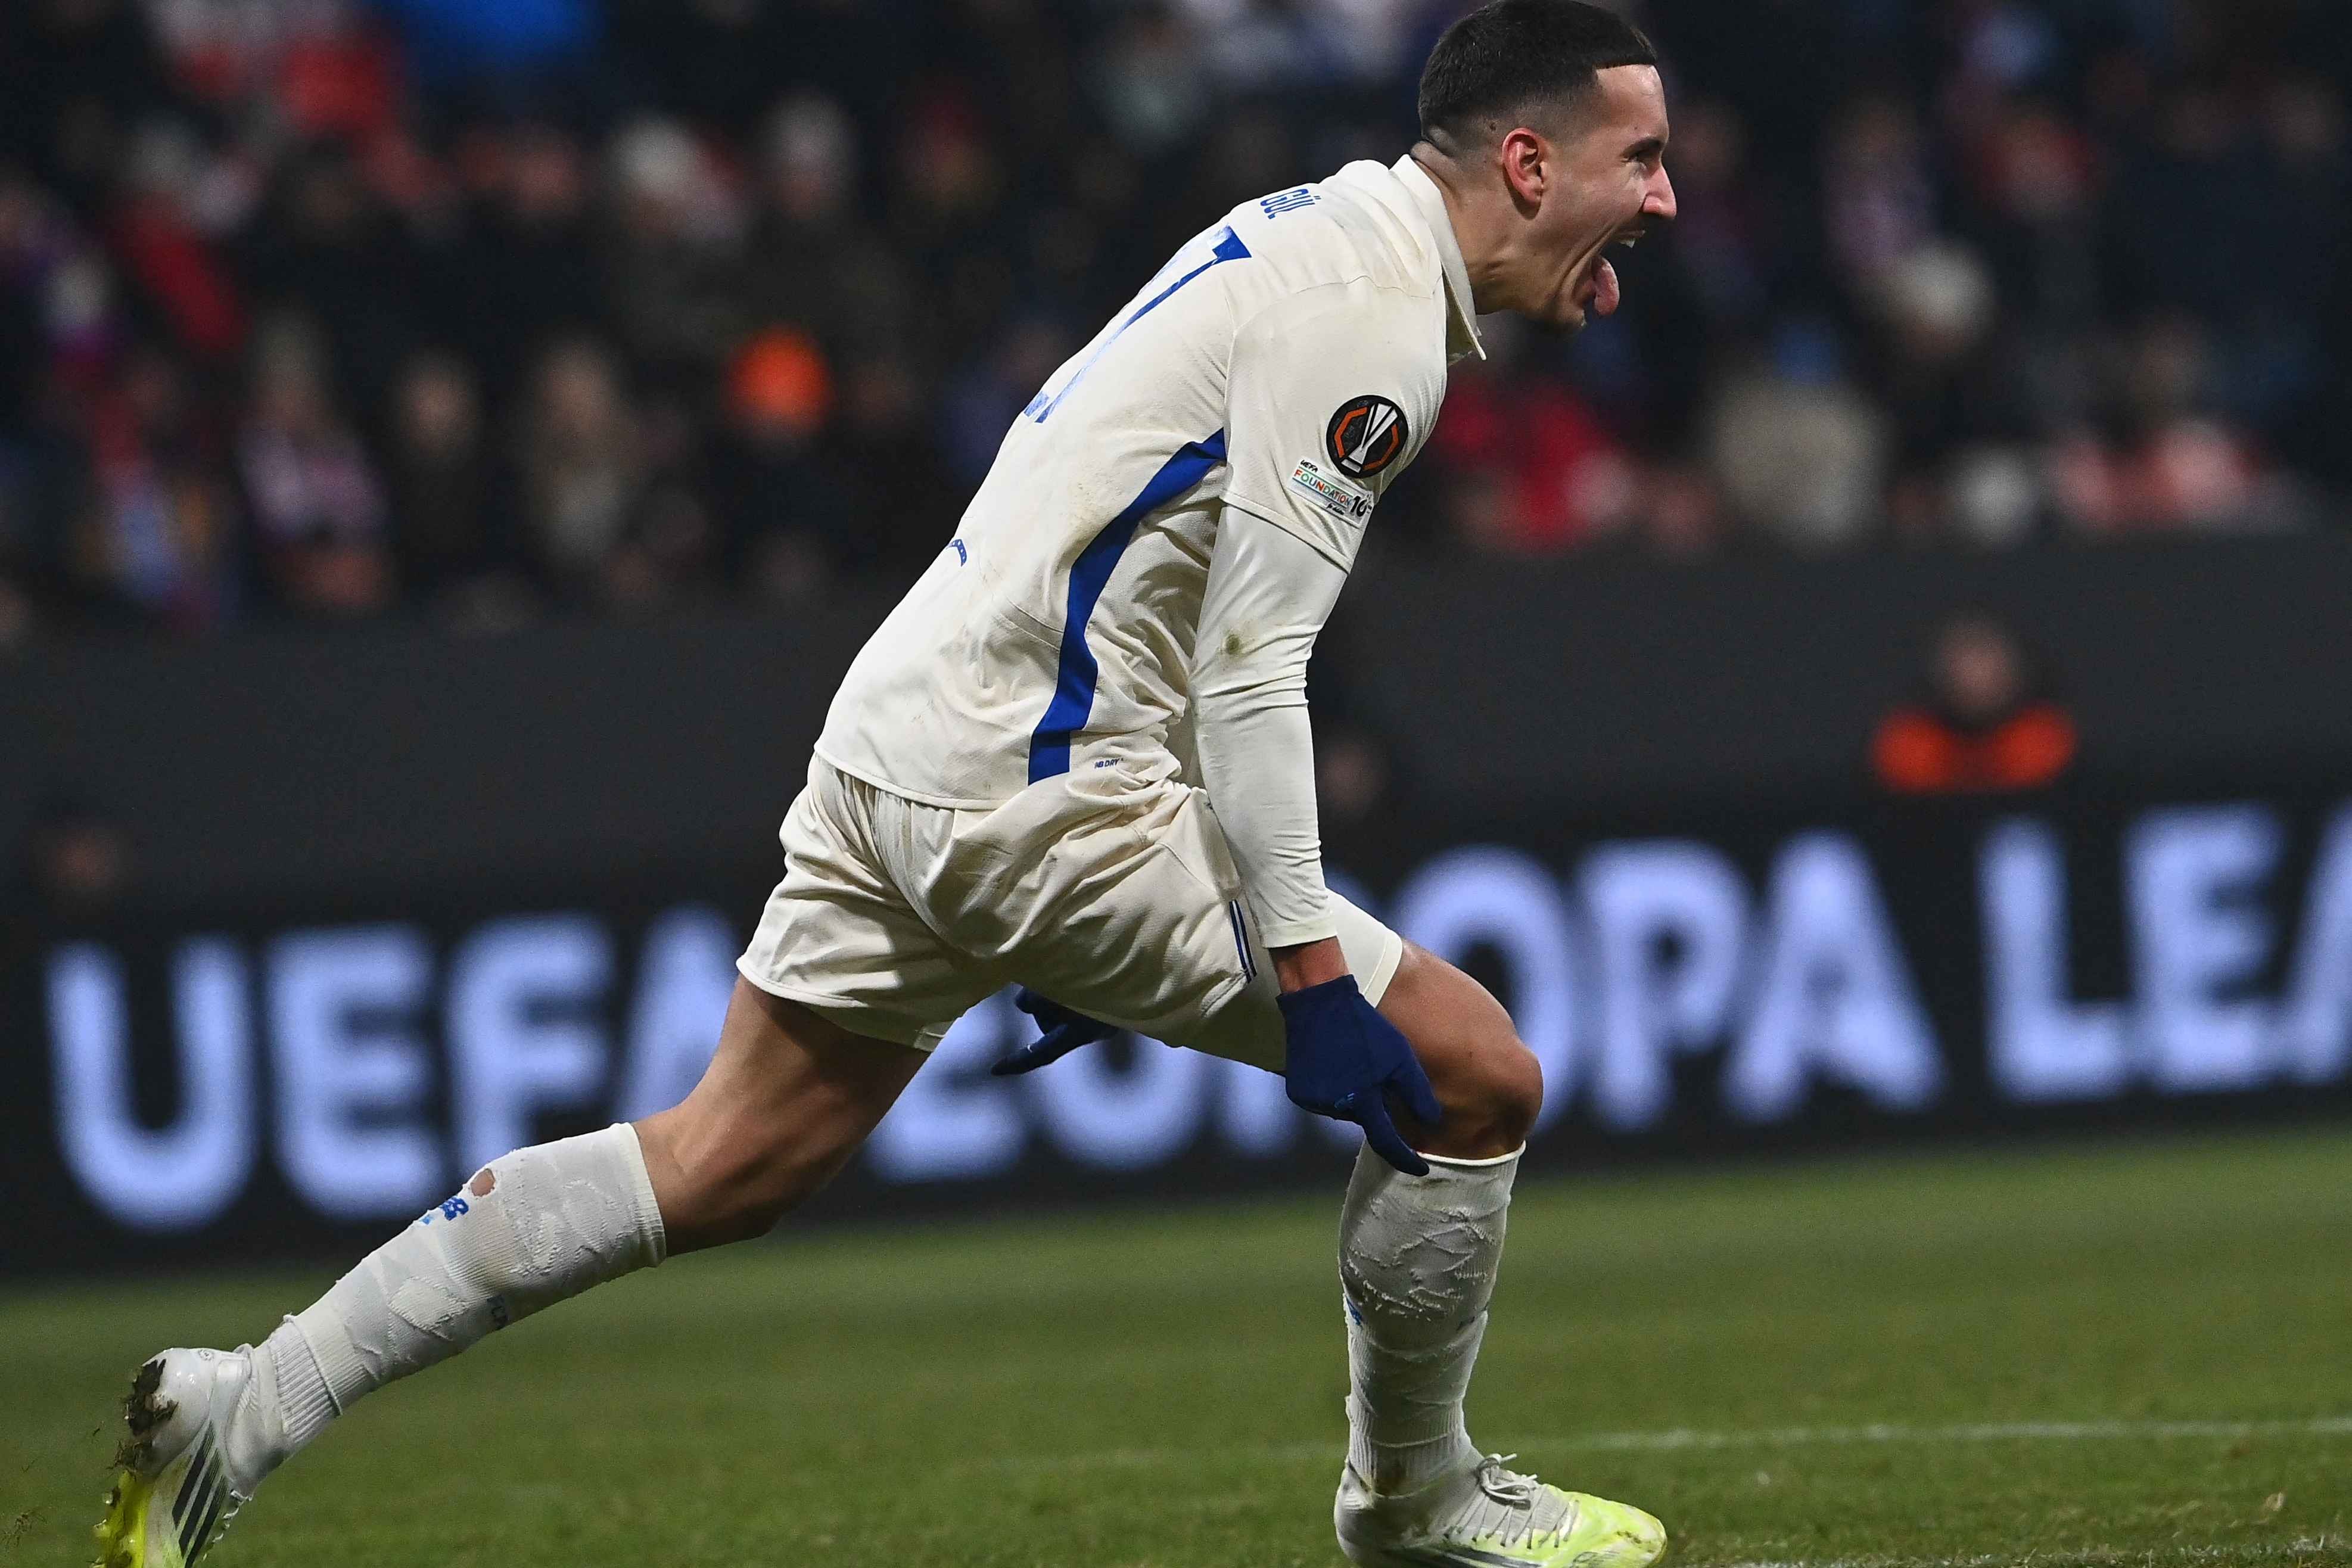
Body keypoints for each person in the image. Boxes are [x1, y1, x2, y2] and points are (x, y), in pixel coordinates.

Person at [95, 4, 1678, 1565]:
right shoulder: (1373, 332)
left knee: (726, 1158)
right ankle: (1412, 1498)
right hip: (1036, 786)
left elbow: (1145, 570)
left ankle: (249, 1405)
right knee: (1477, 1081)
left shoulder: (1315, 228)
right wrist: (1306, 973)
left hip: (911, 736)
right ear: (1527, 164)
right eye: (1642, 157)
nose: (1666, 196)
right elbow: (1253, 674)